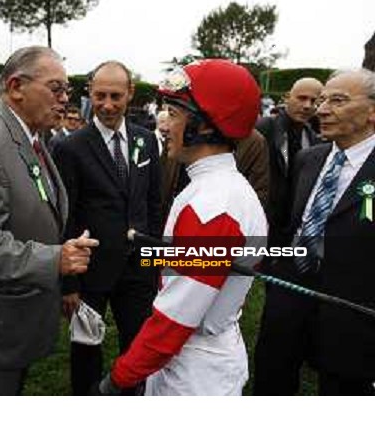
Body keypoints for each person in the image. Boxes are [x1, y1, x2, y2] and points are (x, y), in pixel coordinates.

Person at [96, 60, 267, 396]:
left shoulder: (211, 206)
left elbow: (174, 321)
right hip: (202, 359)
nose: (165, 126)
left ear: (203, 127)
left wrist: (117, 379)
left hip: (192, 373)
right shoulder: (223, 189)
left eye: (174, 114)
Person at [0, 46, 98, 396]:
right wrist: (55, 259)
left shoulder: (30, 136)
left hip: (14, 323)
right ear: (16, 87)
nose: (64, 99)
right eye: (56, 88)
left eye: (66, 90)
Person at [254, 69, 375, 395]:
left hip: (351, 309)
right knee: (271, 378)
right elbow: (286, 223)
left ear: (372, 111)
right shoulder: (309, 159)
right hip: (288, 293)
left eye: (337, 100)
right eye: (323, 100)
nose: (321, 109)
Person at [53, 60, 162, 395]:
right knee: (86, 350)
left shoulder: (146, 141)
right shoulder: (70, 147)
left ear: (131, 94)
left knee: (138, 347)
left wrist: (156, 261)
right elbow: (65, 216)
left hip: (138, 270)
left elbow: (154, 204)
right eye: (100, 95)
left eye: (116, 95)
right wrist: (68, 282)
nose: (107, 104)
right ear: (89, 93)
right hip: (90, 270)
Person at [256, 78, 322, 248]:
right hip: (260, 223)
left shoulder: (313, 138)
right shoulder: (264, 128)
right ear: (287, 98)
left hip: (289, 228)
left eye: (314, 101)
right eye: (302, 98)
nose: (307, 105)